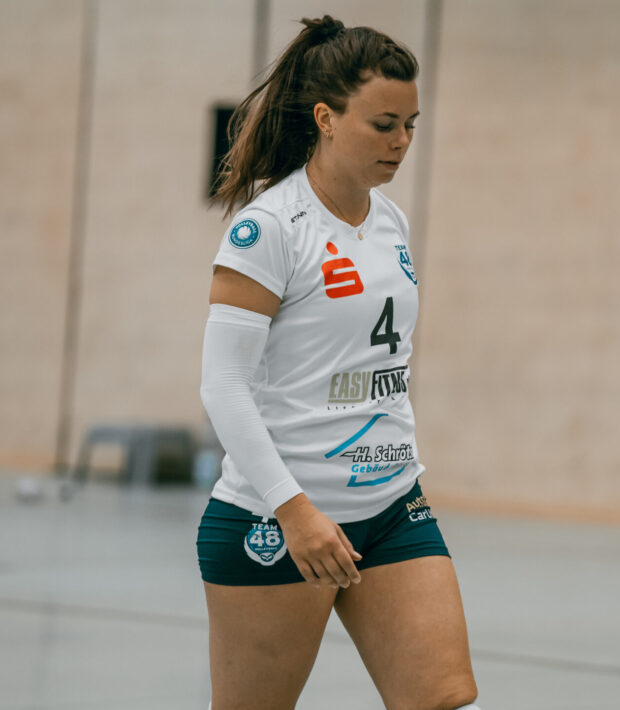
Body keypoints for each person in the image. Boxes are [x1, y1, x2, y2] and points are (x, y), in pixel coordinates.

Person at [196, 16, 480, 710]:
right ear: (325, 118)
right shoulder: (269, 229)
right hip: (280, 521)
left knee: (441, 698)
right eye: (383, 124)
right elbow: (223, 386)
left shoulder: (390, 222)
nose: (401, 141)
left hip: (392, 506)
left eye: (410, 124)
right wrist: (294, 511)